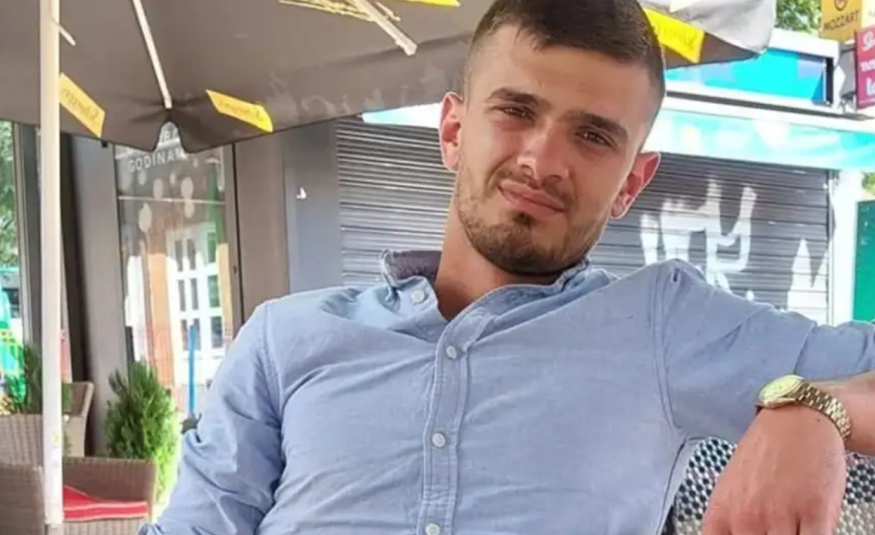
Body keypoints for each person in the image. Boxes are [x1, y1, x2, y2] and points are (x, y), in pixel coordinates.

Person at [142, 1, 875, 534]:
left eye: (592, 136)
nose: (542, 160)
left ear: (631, 182)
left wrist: (816, 407)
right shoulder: (285, 338)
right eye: (516, 111)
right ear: (453, 130)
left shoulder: (663, 325)